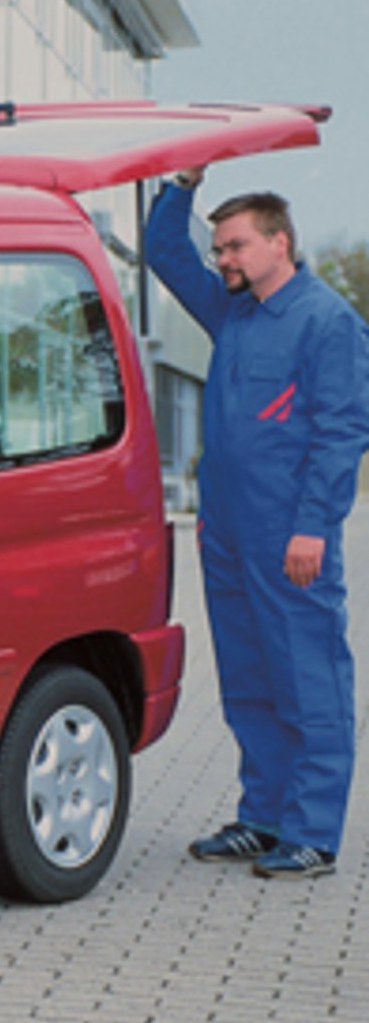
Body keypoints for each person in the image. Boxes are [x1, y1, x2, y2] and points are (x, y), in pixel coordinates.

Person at [146, 167, 369, 880]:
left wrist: (313, 526)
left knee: (308, 677)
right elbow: (164, 253)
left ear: (280, 242)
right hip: (228, 531)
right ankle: (264, 817)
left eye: (236, 246)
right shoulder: (233, 311)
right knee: (248, 677)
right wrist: (181, 184)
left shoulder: (327, 321)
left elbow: (341, 432)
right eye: (220, 249)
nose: (224, 261)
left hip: (289, 534)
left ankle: (312, 833)